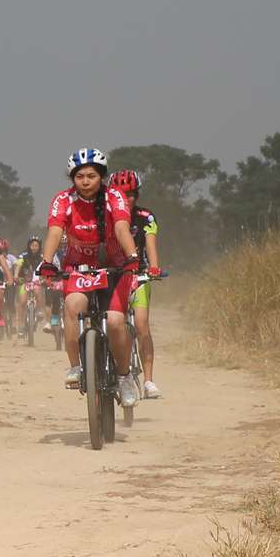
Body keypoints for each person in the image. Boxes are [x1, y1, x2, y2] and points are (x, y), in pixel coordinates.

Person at [39, 148, 143, 407]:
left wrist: (132, 256)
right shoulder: (63, 199)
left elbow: (121, 227)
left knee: (116, 321)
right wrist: (47, 262)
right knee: (73, 306)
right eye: (80, 176)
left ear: (102, 177)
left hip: (115, 267)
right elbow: (55, 231)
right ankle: (76, 365)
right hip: (79, 267)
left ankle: (124, 377)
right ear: (72, 178)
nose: (85, 182)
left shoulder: (114, 197)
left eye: (91, 176)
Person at [109, 170, 164, 398]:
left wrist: (154, 267)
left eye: (131, 194)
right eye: (122, 194)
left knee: (141, 325)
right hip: (112, 276)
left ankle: (149, 380)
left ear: (137, 195)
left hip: (138, 276)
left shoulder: (145, 216)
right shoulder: (106, 215)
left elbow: (150, 244)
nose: (127, 199)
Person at [15, 234, 53, 331]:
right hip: (24, 282)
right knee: (22, 301)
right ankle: (21, 324)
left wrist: (46, 279)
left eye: (36, 245)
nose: (34, 248)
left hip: (37, 282)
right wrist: (15, 276)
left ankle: (39, 310)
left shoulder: (42, 257)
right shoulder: (23, 256)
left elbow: (46, 268)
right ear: (29, 246)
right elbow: (18, 266)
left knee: (37, 292)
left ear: (39, 247)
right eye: (32, 245)